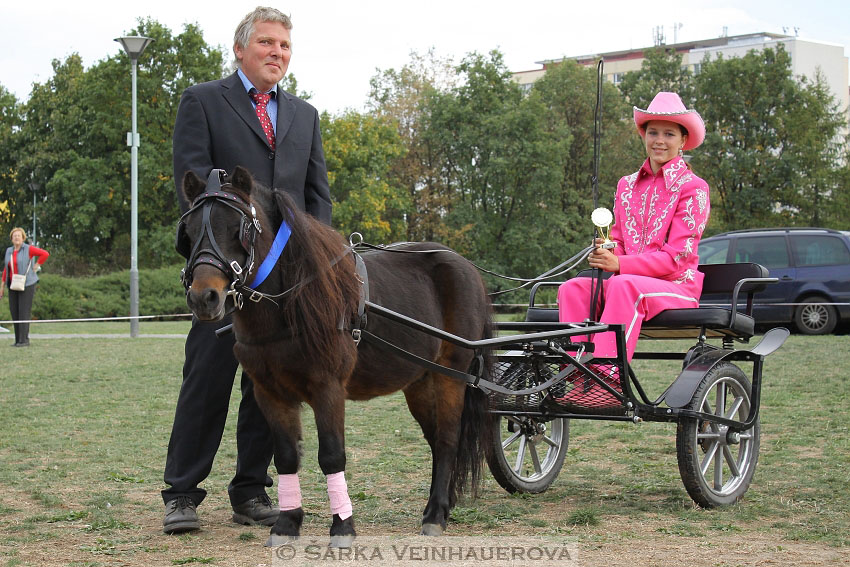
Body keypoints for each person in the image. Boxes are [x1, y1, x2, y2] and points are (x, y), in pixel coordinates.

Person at [163, 6, 332, 534]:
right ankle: (182, 494)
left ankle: (251, 492)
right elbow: (193, 184)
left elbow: (316, 199)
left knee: (271, 388)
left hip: (283, 283)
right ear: (240, 49)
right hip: (226, 273)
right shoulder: (204, 101)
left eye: (283, 45)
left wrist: (312, 259)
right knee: (207, 381)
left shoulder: (304, 115)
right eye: (266, 43)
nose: (276, 53)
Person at [556, 91, 710, 408]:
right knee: (572, 289)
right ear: (644, 135)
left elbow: (675, 259)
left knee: (625, 285)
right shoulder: (627, 185)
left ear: (683, 140)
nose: (659, 140)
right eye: (653, 132)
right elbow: (620, 242)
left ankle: (608, 381)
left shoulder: (694, 188)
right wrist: (606, 251)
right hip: (627, 284)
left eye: (669, 133)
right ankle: (574, 376)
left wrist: (619, 266)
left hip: (676, 286)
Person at [1, 228, 49, 347]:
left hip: (26, 283)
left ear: (23, 238)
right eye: (14, 236)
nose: (16, 238)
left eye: (19, 236)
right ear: (11, 239)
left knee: (23, 311)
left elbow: (45, 254)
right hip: (13, 284)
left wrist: (37, 264)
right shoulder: (9, 251)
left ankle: (24, 340)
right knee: (15, 311)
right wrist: (2, 286)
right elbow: (6, 269)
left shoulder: (28, 249)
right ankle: (17, 339)